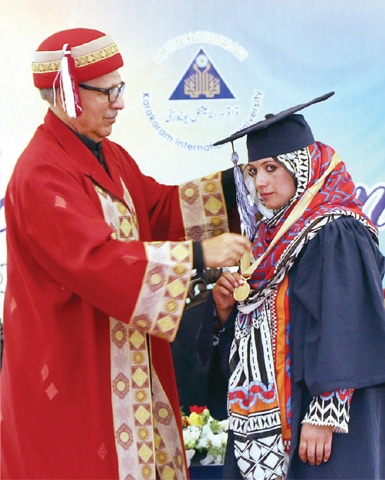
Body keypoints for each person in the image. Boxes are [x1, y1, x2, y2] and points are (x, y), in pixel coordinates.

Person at [0, 28, 251, 480]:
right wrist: (198, 255)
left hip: (122, 358)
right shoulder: (40, 172)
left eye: (122, 88)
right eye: (109, 91)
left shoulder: (109, 155)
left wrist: (242, 183)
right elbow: (95, 260)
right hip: (75, 370)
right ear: (68, 94)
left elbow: (157, 210)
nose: (119, 102)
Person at [196, 93, 385, 479]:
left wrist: (325, 414)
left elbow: (344, 324)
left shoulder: (334, 230)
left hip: (321, 421)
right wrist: (225, 312)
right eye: (252, 171)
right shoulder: (269, 238)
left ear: (303, 167)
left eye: (270, 167)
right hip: (269, 420)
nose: (260, 181)